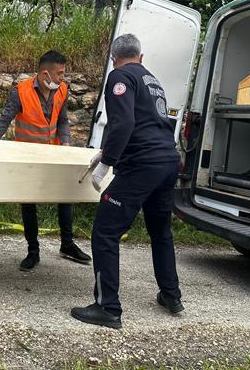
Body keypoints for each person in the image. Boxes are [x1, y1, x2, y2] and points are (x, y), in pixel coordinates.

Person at [71, 34, 183, 329]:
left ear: (113, 58)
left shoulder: (119, 75)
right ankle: (171, 295)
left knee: (105, 232)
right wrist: (106, 152)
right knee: (161, 231)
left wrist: (107, 163)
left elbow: (124, 123)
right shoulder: (151, 79)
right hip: (168, 162)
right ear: (141, 56)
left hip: (142, 165)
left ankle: (108, 308)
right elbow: (146, 123)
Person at [0, 50, 91, 271]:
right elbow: (5, 119)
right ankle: (33, 251)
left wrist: (65, 142)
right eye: (60, 73)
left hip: (54, 153)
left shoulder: (62, 90)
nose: (63, 78)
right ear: (46, 73)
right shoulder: (21, 92)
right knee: (29, 202)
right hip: (27, 156)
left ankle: (67, 245)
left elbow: (62, 120)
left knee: (66, 196)